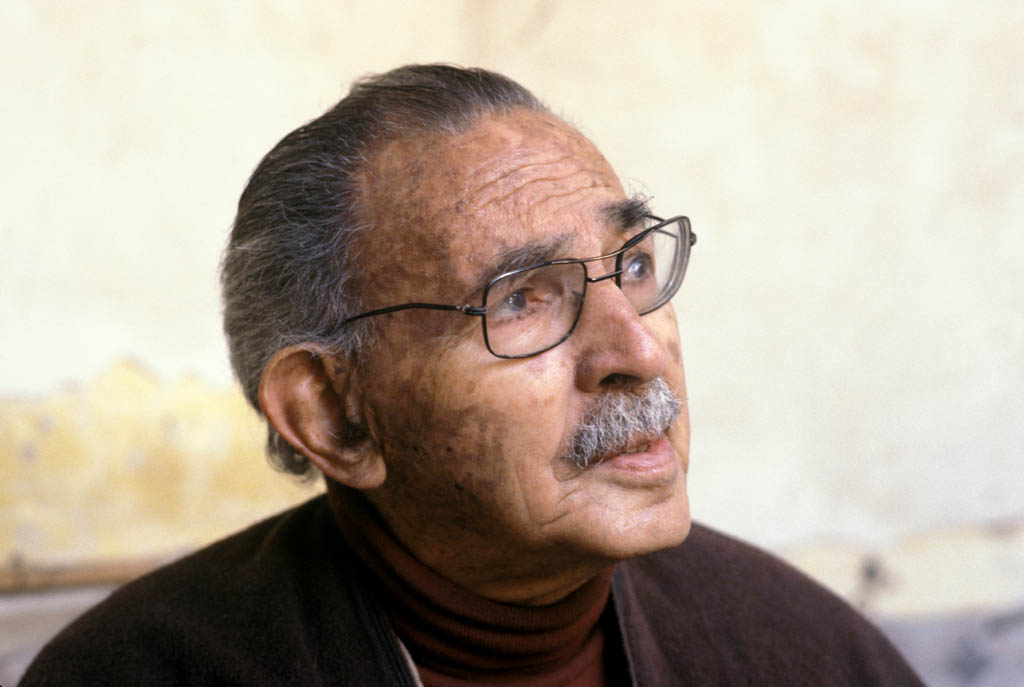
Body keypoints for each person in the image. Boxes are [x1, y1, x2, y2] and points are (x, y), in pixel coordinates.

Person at [20, 64, 921, 686]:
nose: (639, 353)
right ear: (334, 413)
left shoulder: (800, 648)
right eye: (522, 298)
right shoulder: (142, 670)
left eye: (634, 265)